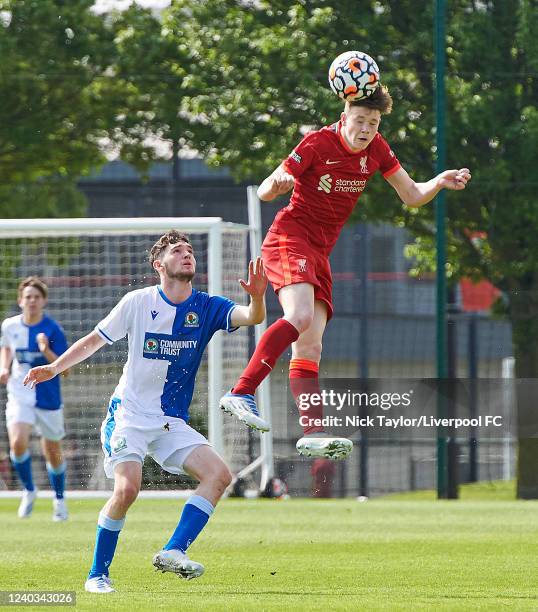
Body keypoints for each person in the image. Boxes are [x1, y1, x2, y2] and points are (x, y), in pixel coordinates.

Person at [220, 84, 471, 460]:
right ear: (344, 117)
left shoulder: (377, 150)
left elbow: (412, 196)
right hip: (289, 239)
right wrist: (279, 183)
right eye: (360, 120)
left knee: (310, 345)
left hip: (320, 252)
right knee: (300, 317)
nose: (366, 128)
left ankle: (312, 431)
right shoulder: (317, 143)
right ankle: (241, 391)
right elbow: (265, 192)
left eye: (373, 121)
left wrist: (438, 181)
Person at [23, 230, 268, 594]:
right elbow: (94, 339)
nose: (188, 255)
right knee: (127, 489)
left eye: (189, 251)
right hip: (131, 416)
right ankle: (97, 575)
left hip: (170, 422)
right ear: (159, 265)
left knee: (218, 475)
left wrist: (259, 297)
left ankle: (173, 550)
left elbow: (251, 316)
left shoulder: (207, 306)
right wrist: (54, 367)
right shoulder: (137, 302)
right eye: (177, 251)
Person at [0, 276, 69, 521]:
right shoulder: (10, 326)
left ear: (44, 301)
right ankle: (29, 490)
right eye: (28, 297)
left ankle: (59, 500)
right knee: (17, 442)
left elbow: (66, 369)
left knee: (52, 450)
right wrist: (4, 367)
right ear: (20, 301)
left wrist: (45, 351)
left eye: (36, 297)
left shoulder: (52, 330)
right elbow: (7, 347)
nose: (32, 301)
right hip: (20, 393)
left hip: (48, 396)